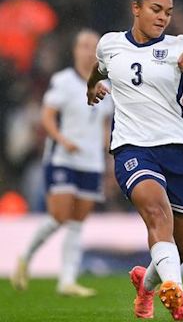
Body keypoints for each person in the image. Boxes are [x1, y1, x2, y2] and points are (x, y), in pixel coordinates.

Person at [86, 0, 183, 321]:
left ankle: (147, 285)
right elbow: (99, 68)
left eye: (168, 12)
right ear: (135, 9)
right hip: (132, 148)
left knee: (180, 249)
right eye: (156, 9)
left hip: (179, 151)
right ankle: (178, 297)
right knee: (157, 214)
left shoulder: (180, 46)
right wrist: (92, 87)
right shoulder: (109, 44)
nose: (163, 17)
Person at [11, 29, 112, 297]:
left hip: (91, 161)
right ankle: (25, 256)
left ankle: (67, 280)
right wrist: (61, 139)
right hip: (63, 158)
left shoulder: (107, 86)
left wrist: (105, 145)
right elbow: (47, 115)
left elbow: (103, 121)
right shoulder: (63, 81)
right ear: (75, 51)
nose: (88, 50)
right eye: (83, 45)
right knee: (59, 216)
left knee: (78, 221)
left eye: (93, 46)